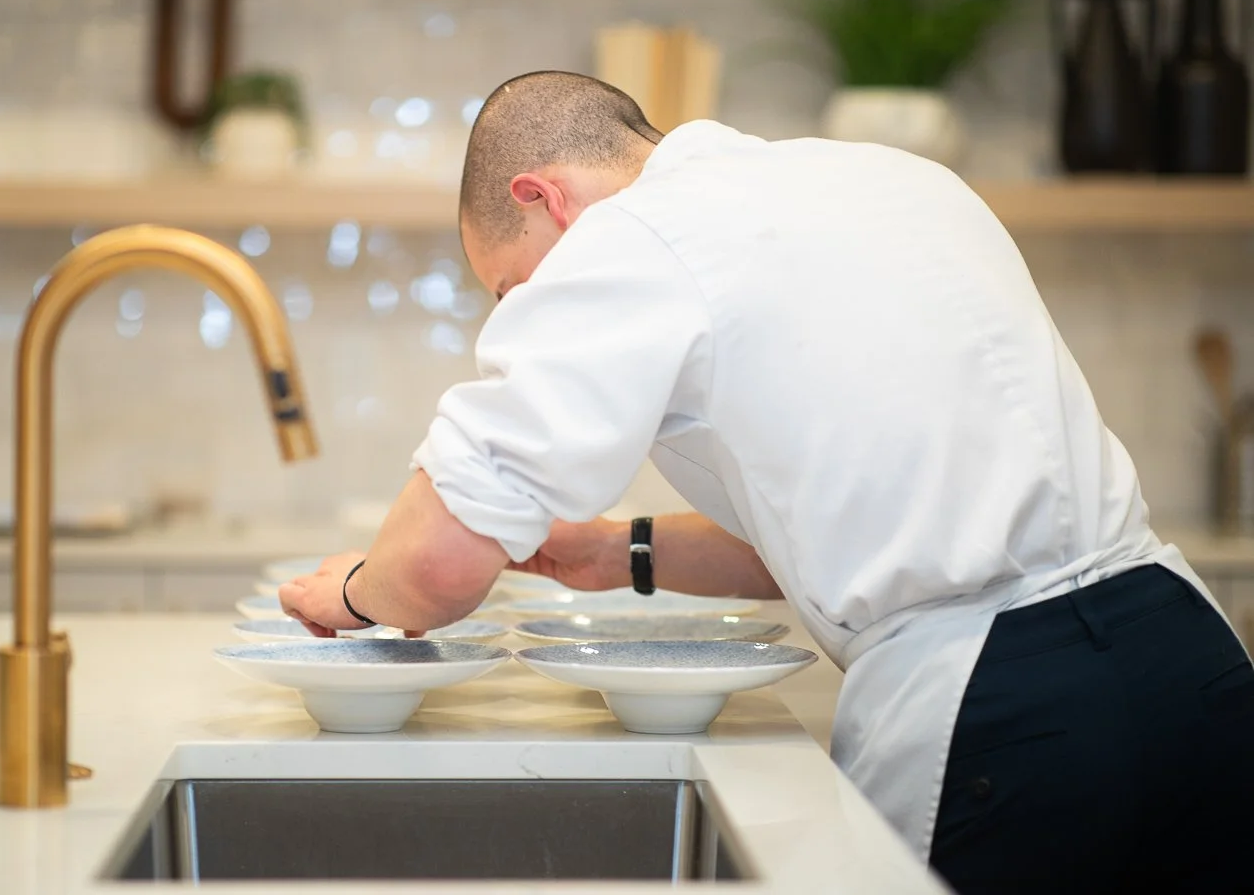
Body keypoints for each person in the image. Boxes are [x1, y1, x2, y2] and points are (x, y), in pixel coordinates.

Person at [279, 71, 1254, 892]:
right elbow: (853, 529)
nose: (518, 311)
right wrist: (618, 552)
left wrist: (357, 592)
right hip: (1193, 663)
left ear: (542, 198)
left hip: (1015, 717)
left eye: (509, 287)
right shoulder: (891, 178)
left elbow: (440, 567)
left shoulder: (635, 234)